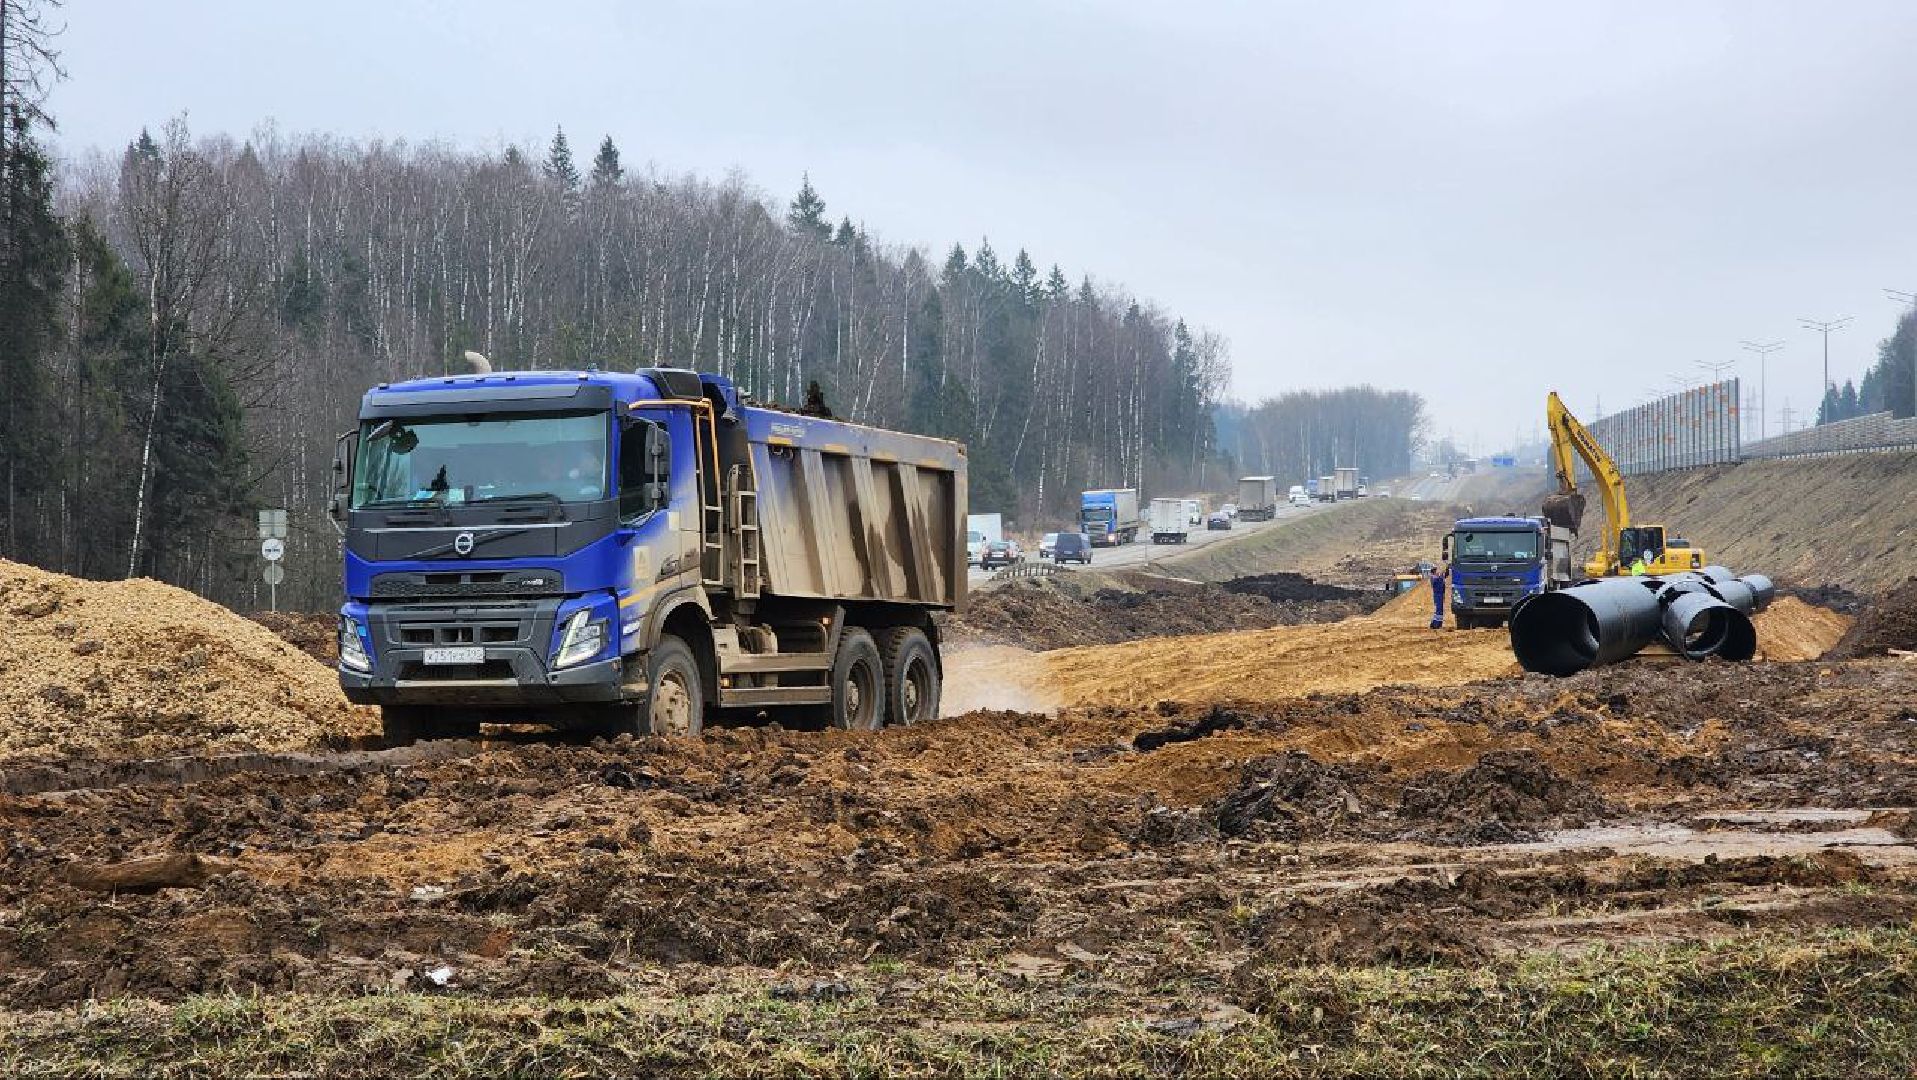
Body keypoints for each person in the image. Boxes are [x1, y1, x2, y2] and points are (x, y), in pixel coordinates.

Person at [1428, 559, 1449, 630]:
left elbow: (1445, 575)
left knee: (1440, 610)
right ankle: (1435, 624)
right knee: (1438, 610)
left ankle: (1438, 624)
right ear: (1434, 571)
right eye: (1436, 570)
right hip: (1437, 595)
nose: (1437, 571)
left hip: (1440, 594)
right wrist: (1441, 574)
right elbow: (1439, 579)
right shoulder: (1433, 577)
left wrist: (1447, 568)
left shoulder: (1437, 576)